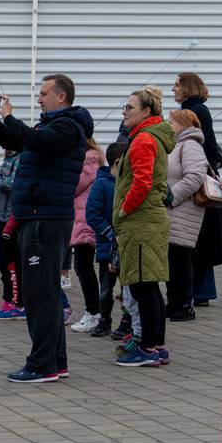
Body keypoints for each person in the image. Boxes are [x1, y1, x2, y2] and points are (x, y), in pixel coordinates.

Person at [0, 74, 96, 385]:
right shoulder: (51, 125)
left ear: (62, 96)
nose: (39, 98)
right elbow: (17, 142)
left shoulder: (67, 127)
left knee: (40, 295)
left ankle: (42, 364)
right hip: (38, 215)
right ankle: (55, 362)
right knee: (42, 293)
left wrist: (9, 117)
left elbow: (34, 141)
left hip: (45, 218)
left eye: (44, 93)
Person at [113, 88, 175, 367]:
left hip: (141, 222)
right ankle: (156, 346)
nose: (124, 112)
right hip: (146, 221)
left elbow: (142, 181)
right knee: (147, 285)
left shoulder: (144, 139)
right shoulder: (146, 137)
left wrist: (125, 209)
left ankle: (149, 348)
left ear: (146, 112)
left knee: (142, 286)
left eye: (130, 107)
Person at [174, 73, 222, 306]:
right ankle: (199, 290)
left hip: (197, 184)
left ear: (187, 87)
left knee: (198, 239)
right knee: (200, 238)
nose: (173, 89)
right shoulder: (194, 108)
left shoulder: (195, 110)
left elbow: (209, 147)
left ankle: (200, 291)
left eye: (176, 85)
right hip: (198, 179)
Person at [164, 110, 211, 321]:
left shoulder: (190, 145)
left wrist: (171, 196)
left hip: (182, 210)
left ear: (183, 124)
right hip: (173, 209)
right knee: (171, 258)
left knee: (180, 258)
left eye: (171, 120)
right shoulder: (175, 145)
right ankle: (174, 302)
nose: (168, 123)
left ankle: (184, 305)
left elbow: (195, 177)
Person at [87, 141, 125, 338]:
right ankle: (105, 319)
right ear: (118, 162)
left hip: (125, 245)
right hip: (108, 246)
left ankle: (126, 321)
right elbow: (91, 213)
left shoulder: (127, 182)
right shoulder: (101, 183)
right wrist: (110, 233)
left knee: (127, 287)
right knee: (106, 287)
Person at [69, 140, 105, 333]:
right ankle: (96, 312)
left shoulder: (87, 159)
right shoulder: (89, 157)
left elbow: (73, 186)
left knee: (83, 266)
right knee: (84, 266)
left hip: (86, 219)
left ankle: (93, 313)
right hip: (83, 218)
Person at [0, 150, 22, 319]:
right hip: (1, 216)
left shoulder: (22, 158)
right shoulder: (9, 158)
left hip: (12, 217)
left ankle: (17, 302)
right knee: (2, 261)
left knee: (11, 261)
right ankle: (8, 299)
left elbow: (12, 183)